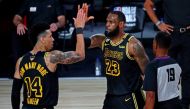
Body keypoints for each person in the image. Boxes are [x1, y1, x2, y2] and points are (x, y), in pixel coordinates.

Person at [11, 9, 86, 109]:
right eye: (50, 36)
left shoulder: (21, 61)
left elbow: (15, 93)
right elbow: (80, 55)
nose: (53, 39)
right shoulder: (51, 58)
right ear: (42, 39)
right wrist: (79, 29)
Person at [81, 10, 149, 109]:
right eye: (107, 21)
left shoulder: (133, 45)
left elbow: (149, 73)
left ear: (121, 24)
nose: (107, 25)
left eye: (111, 22)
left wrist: (152, 101)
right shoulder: (102, 41)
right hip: (110, 97)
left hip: (130, 97)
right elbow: (77, 43)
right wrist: (79, 28)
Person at [144, 0, 190, 108]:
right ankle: (161, 102)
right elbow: (147, 4)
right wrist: (158, 23)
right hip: (170, 34)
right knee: (163, 70)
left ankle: (185, 104)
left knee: (188, 72)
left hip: (188, 34)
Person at [143, 32, 182, 109]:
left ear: (155, 44)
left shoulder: (152, 66)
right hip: (177, 105)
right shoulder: (176, 64)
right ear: (169, 46)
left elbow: (151, 96)